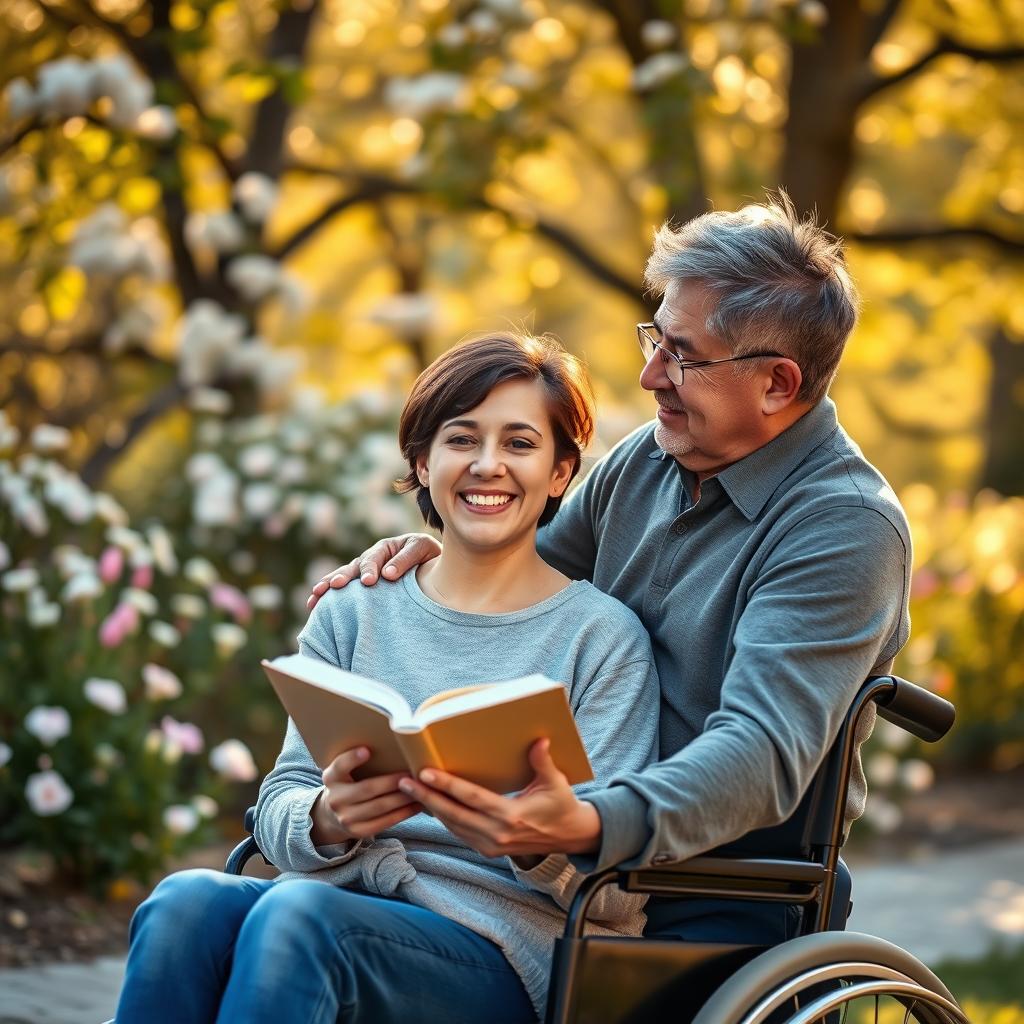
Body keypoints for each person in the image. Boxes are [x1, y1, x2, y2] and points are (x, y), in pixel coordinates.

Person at [307, 194, 912, 946]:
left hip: (714, 877)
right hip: (558, 849)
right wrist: (440, 553)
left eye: (681, 354)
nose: (651, 374)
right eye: (654, 339)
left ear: (777, 385)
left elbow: (761, 753)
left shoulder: (845, 526)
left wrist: (593, 819)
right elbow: (524, 580)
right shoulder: (648, 460)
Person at [114, 333, 659, 1024]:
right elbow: (282, 798)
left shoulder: (602, 639)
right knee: (181, 904)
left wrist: (532, 837)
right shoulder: (354, 611)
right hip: (338, 900)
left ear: (560, 472)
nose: (488, 465)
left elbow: (617, 895)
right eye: (462, 440)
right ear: (423, 461)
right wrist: (326, 818)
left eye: (520, 444)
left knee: (299, 914)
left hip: (500, 953)